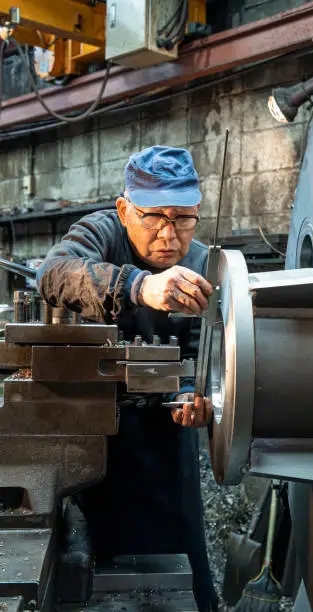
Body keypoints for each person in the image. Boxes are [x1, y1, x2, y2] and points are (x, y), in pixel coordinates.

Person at [37, 145, 219, 611]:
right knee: (90, 558)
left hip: (164, 442)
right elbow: (54, 274)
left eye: (183, 219)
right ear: (124, 209)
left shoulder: (200, 266)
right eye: (154, 216)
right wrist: (140, 286)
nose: (168, 233)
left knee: (179, 565)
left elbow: (204, 355)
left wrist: (192, 397)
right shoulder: (102, 233)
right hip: (93, 431)